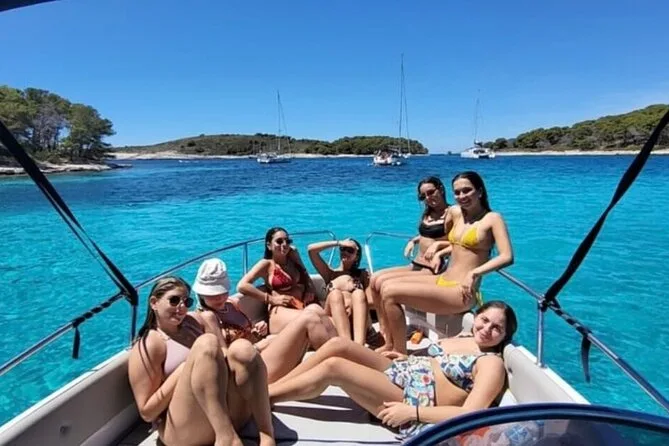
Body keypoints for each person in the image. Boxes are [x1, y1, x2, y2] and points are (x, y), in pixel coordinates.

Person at [268, 301, 517, 440]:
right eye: (485, 320)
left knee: (334, 367)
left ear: (506, 335)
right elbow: (438, 365)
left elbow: (469, 414)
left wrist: (412, 412)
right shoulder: (464, 337)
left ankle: (265, 398)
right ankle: (271, 387)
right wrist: (407, 357)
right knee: (338, 345)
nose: (487, 329)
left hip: (415, 400)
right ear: (476, 317)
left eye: (497, 328)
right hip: (408, 372)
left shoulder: (491, 363)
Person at [376, 171, 513, 353]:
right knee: (384, 285)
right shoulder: (456, 214)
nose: (462, 196)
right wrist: (440, 250)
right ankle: (389, 342)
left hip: (461, 291)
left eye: (467, 190)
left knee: (391, 293)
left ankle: (399, 352)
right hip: (443, 279)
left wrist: (475, 273)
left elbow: (507, 256)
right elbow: (456, 244)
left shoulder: (492, 219)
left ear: (480, 191)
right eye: (457, 192)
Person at [127, 276, 274, 446]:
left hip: (225, 415)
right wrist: (184, 369)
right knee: (207, 342)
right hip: (184, 430)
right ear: (154, 303)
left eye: (186, 302)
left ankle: (267, 435)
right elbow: (147, 413)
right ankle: (227, 438)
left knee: (242, 348)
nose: (181, 307)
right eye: (174, 300)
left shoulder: (193, 323)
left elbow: (225, 360)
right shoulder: (150, 344)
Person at [194, 258, 335, 383]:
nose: (219, 298)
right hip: (248, 371)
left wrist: (257, 332)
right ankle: (336, 360)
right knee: (309, 318)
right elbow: (224, 360)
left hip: (259, 356)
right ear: (201, 294)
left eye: (222, 292)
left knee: (314, 309)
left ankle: (337, 356)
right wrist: (259, 346)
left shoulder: (232, 304)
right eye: (212, 294)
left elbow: (247, 338)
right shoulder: (207, 317)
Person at [367, 176, 451, 349]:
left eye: (431, 192)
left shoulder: (452, 213)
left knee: (386, 286)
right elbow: (428, 234)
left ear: (441, 189)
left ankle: (392, 343)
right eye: (423, 196)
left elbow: (458, 242)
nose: (428, 198)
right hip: (416, 264)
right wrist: (414, 240)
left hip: (430, 269)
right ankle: (384, 330)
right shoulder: (428, 213)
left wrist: (439, 248)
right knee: (375, 279)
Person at [237, 227, 336, 337]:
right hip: (281, 312)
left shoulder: (293, 258)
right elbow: (242, 285)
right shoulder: (266, 264)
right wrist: (271, 299)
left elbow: (305, 275)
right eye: (279, 241)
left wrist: (309, 289)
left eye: (287, 241)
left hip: (303, 307)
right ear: (269, 245)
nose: (284, 244)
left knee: (332, 320)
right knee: (317, 320)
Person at [308, 238, 370, 344]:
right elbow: (311, 250)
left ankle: (359, 346)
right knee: (335, 295)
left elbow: (372, 302)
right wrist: (338, 243)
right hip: (334, 320)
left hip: (356, 318)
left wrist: (353, 300)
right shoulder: (330, 273)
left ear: (357, 256)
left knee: (359, 294)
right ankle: (346, 343)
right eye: (343, 248)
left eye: (350, 250)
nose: (345, 252)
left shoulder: (363, 274)